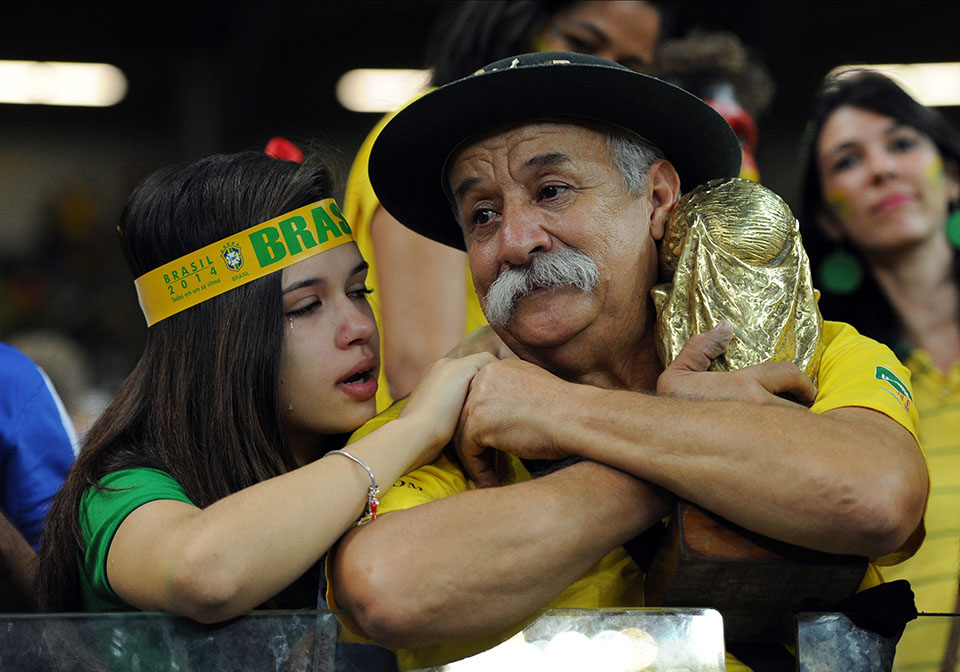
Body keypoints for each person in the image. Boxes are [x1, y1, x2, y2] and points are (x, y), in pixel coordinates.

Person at [326, 52, 929, 671]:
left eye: (552, 192)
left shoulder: (815, 351)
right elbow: (386, 586)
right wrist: (715, 449)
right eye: (482, 214)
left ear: (659, 198)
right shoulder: (444, 422)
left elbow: (876, 496)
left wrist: (562, 413)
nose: (515, 240)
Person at [36, 149, 494, 625]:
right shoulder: (119, 492)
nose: (358, 325)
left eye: (360, 292)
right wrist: (414, 429)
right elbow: (206, 574)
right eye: (305, 307)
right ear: (217, 343)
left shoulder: (375, 453)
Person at [347, 1, 667, 407]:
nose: (599, 68)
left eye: (631, 65)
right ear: (510, 26)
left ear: (658, 197)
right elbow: (421, 367)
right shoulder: (431, 149)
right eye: (581, 41)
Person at [799, 68, 960, 672]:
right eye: (847, 161)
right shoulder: (831, 377)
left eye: (901, 144)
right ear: (833, 221)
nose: (881, 170)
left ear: (952, 178)